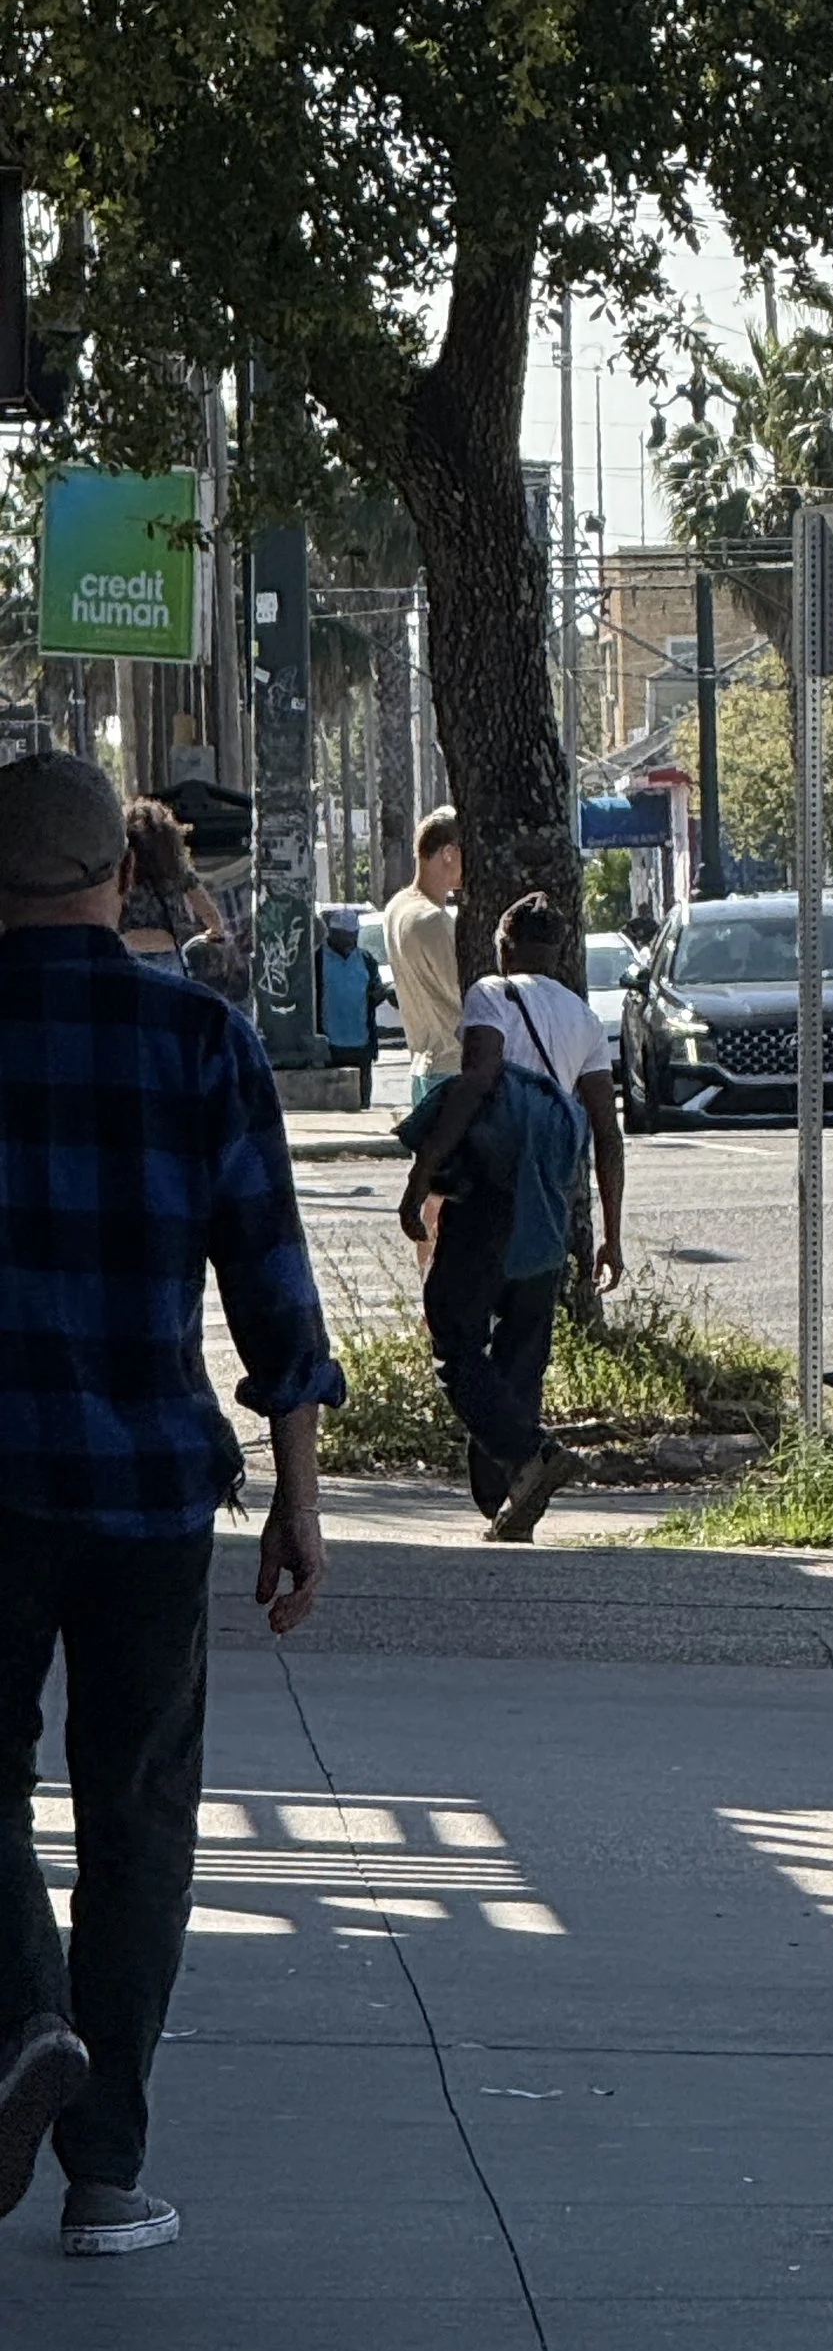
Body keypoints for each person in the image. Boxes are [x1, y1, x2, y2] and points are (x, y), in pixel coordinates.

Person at [0, 752, 337, 2260]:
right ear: (123, 876)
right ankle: (105, 2173)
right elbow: (274, 1292)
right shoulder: (201, 1043)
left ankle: (25, 2016)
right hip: (148, 1495)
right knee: (138, 1814)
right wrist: (301, 1503)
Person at [399, 890, 623, 1544]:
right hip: (550, 1201)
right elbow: (607, 1133)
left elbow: (477, 1079)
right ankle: (511, 1499)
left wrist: (422, 1171)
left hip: (489, 1196)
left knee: (453, 1332)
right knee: (523, 1354)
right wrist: (610, 1235)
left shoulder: (491, 994)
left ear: (502, 943)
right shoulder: (583, 1017)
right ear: (558, 954)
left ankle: (527, 1456)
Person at [382, 810, 463, 1103]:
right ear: (449, 853)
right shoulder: (433, 920)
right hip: (452, 1065)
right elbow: (462, 995)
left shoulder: (395, 908)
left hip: (421, 1063)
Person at [120, 797, 224, 979]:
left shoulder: (123, 869)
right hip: (167, 951)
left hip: (128, 949)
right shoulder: (178, 871)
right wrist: (209, 935)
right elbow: (212, 918)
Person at [318, 906, 382, 1107]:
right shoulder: (317, 959)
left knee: (362, 1104)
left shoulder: (365, 960)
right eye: (343, 935)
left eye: (352, 935)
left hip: (360, 1045)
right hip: (329, 1047)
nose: (349, 940)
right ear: (332, 933)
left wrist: (379, 994)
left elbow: (375, 990)